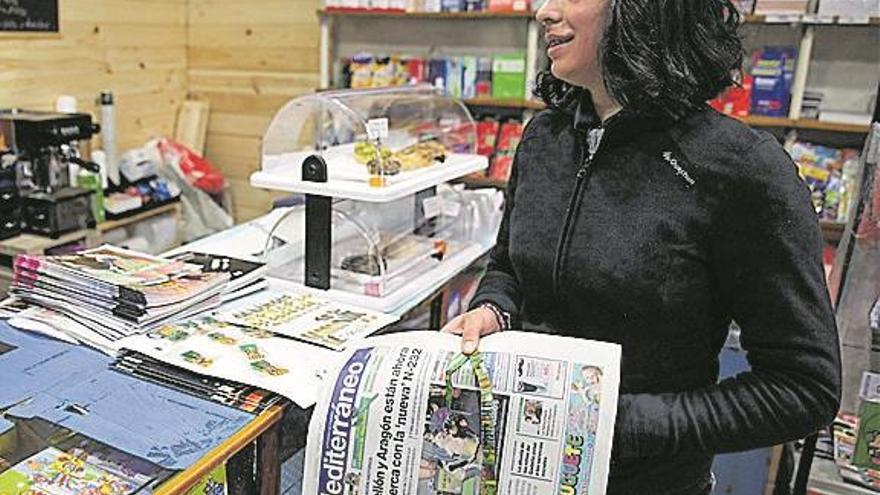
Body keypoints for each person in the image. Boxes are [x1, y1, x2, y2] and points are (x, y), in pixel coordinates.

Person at [441, 0, 842, 493]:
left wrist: (614, 422)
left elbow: (804, 388)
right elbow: (508, 265)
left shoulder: (741, 169)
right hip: (515, 469)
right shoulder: (543, 138)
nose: (545, 11)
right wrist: (492, 307)